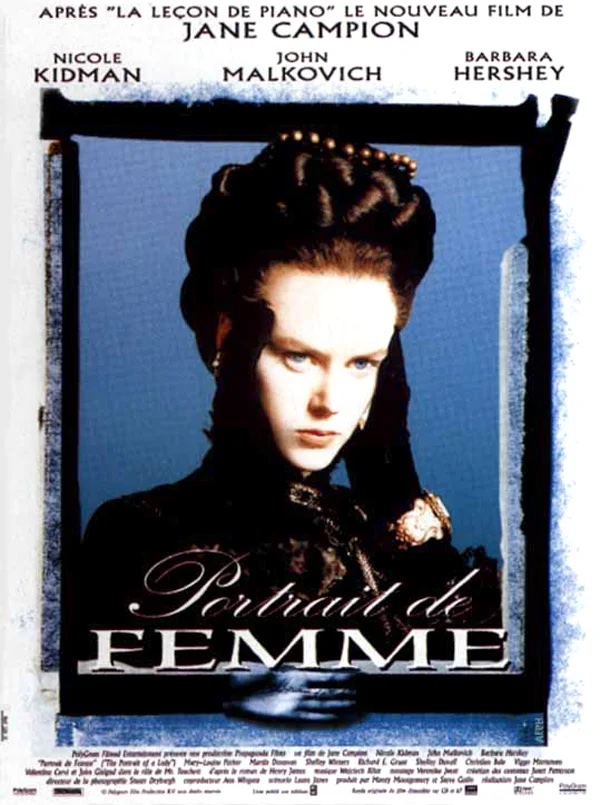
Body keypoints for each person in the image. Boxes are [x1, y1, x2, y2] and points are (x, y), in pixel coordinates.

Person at [78, 131, 500, 722]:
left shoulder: (375, 527)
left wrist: (394, 487)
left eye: (362, 363)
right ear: (229, 339)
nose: (330, 402)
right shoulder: (140, 533)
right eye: (298, 356)